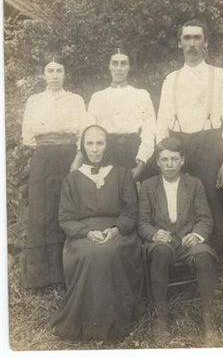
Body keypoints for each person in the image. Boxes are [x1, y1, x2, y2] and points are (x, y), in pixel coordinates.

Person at [50, 125, 144, 341]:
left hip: (120, 232)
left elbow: (131, 211)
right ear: (82, 147)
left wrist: (116, 229)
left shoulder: (121, 173)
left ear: (107, 145)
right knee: (92, 254)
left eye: (99, 143)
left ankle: (116, 321)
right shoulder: (72, 179)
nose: (94, 149)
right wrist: (87, 232)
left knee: (109, 252)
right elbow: (65, 219)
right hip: (82, 235)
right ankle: (87, 322)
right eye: (90, 143)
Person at [156, 19, 223, 255]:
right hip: (179, 143)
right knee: (179, 196)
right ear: (179, 43)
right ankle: (184, 255)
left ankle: (218, 257)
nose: (192, 43)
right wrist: (161, 152)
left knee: (213, 197)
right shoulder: (171, 79)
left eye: (197, 38)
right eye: (187, 38)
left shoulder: (220, 75)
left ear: (206, 42)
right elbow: (162, 119)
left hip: (210, 142)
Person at [138, 137, 217, 346]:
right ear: (157, 162)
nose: (170, 164)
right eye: (165, 160)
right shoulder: (148, 186)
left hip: (188, 240)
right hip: (162, 242)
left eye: (174, 159)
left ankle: (209, 319)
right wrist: (154, 234)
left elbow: (205, 218)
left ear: (183, 160)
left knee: (203, 255)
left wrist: (197, 235)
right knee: (160, 252)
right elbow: (142, 222)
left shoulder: (194, 184)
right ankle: (160, 318)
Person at [20, 54, 86, 289]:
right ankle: (40, 277)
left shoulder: (75, 100)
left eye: (59, 70)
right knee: (41, 210)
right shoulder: (34, 101)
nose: (55, 75)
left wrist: (76, 159)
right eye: (50, 70)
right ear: (43, 74)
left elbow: (83, 135)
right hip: (43, 158)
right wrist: (46, 146)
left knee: (65, 207)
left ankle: (67, 272)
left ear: (65, 74)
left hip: (68, 157)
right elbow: (27, 136)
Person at [71, 48, 156, 182]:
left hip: (132, 151)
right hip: (106, 152)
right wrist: (79, 158)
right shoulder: (98, 97)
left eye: (124, 63)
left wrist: (141, 163)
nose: (119, 68)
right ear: (109, 67)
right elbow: (89, 131)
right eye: (115, 63)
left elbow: (149, 132)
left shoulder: (141, 95)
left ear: (129, 67)